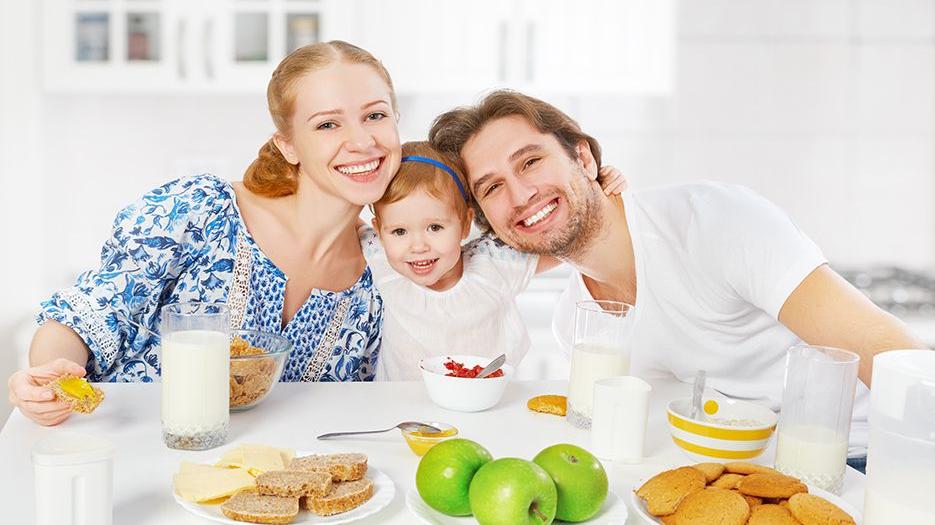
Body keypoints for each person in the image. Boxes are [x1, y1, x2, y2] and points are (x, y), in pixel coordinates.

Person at [428, 89, 926, 470]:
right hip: (742, 477)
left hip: (861, 461)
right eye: (492, 187)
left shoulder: (715, 223)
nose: (521, 194)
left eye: (531, 161)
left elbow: (889, 352)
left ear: (583, 158)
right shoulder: (577, 323)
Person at [8, 41, 402, 426]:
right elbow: (80, 320)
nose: (362, 141)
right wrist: (49, 378)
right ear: (288, 146)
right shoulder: (200, 210)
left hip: (256, 485)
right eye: (328, 124)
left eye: (375, 115)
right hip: (126, 461)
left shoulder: (385, 275)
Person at [359, 141, 626, 380]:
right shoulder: (380, 255)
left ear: (465, 224)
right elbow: (327, 217)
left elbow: (569, 237)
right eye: (399, 232)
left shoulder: (495, 263)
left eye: (435, 228)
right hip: (401, 413)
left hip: (488, 408)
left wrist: (599, 189)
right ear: (379, 230)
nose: (418, 246)